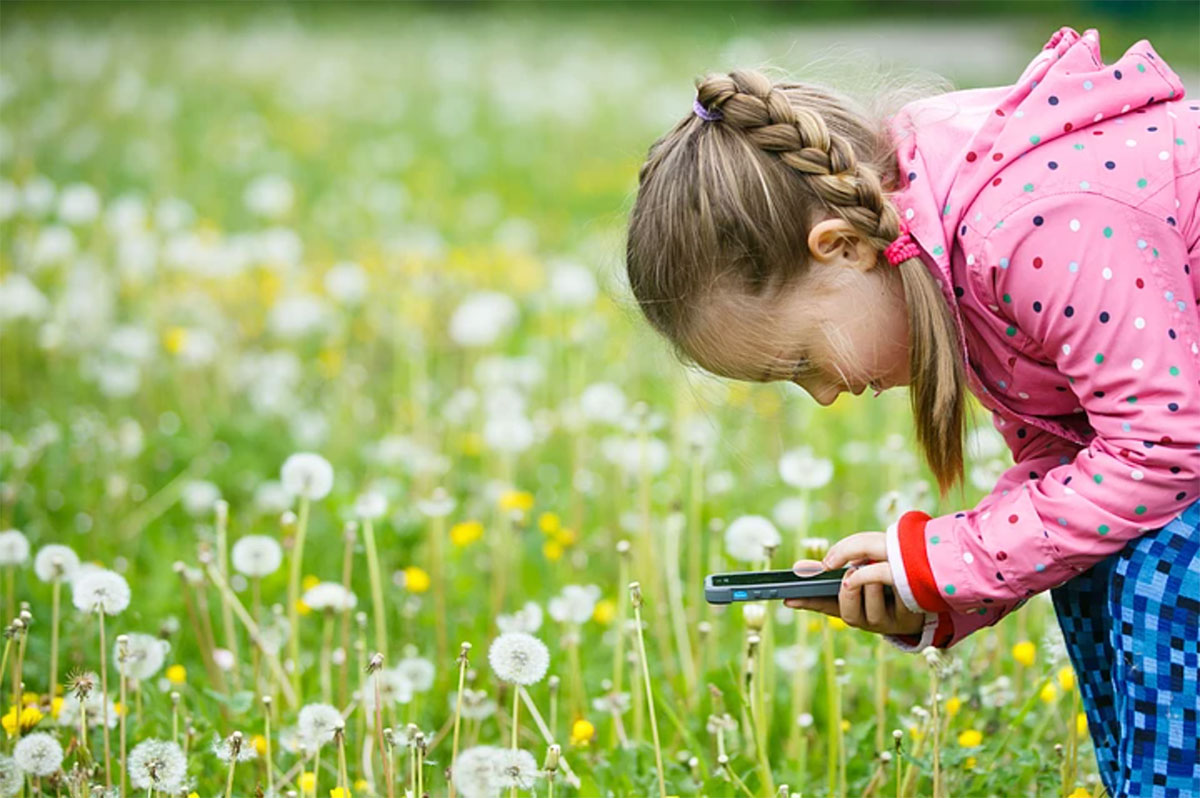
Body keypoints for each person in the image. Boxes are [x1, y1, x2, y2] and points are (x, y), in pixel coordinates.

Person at [624, 25, 1199, 798]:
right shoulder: (953, 252)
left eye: (801, 362)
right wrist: (938, 588)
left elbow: (1166, 449)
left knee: (1161, 562)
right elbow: (1074, 464)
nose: (824, 394)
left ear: (842, 247)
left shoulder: (1027, 229)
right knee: (1106, 558)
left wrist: (959, 555)